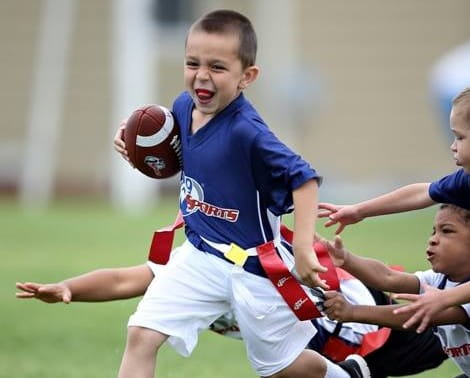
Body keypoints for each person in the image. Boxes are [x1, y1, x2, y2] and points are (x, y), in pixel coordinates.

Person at [112, 9, 362, 378]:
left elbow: (305, 179)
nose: (201, 76)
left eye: (217, 67)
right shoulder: (183, 107)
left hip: (254, 267)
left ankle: (348, 375)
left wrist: (306, 249)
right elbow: (187, 155)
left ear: (247, 76)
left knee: (282, 369)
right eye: (193, 63)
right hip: (199, 255)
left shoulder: (249, 132)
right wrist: (136, 147)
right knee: (141, 334)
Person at [16, 252, 447, 378]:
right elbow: (124, 279)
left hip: (367, 330)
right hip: (319, 351)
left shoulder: (241, 258)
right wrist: (70, 286)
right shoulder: (196, 264)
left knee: (452, 334)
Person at [318, 87, 470, 332]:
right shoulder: (464, 181)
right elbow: (422, 193)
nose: (453, 146)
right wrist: (359, 211)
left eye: (460, 137)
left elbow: (421, 314)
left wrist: (444, 298)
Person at [320, 203, 470, 378]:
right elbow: (388, 277)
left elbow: (416, 316)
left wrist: (353, 312)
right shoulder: (440, 279)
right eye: (433, 231)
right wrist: (345, 259)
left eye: (447, 231)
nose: (433, 239)